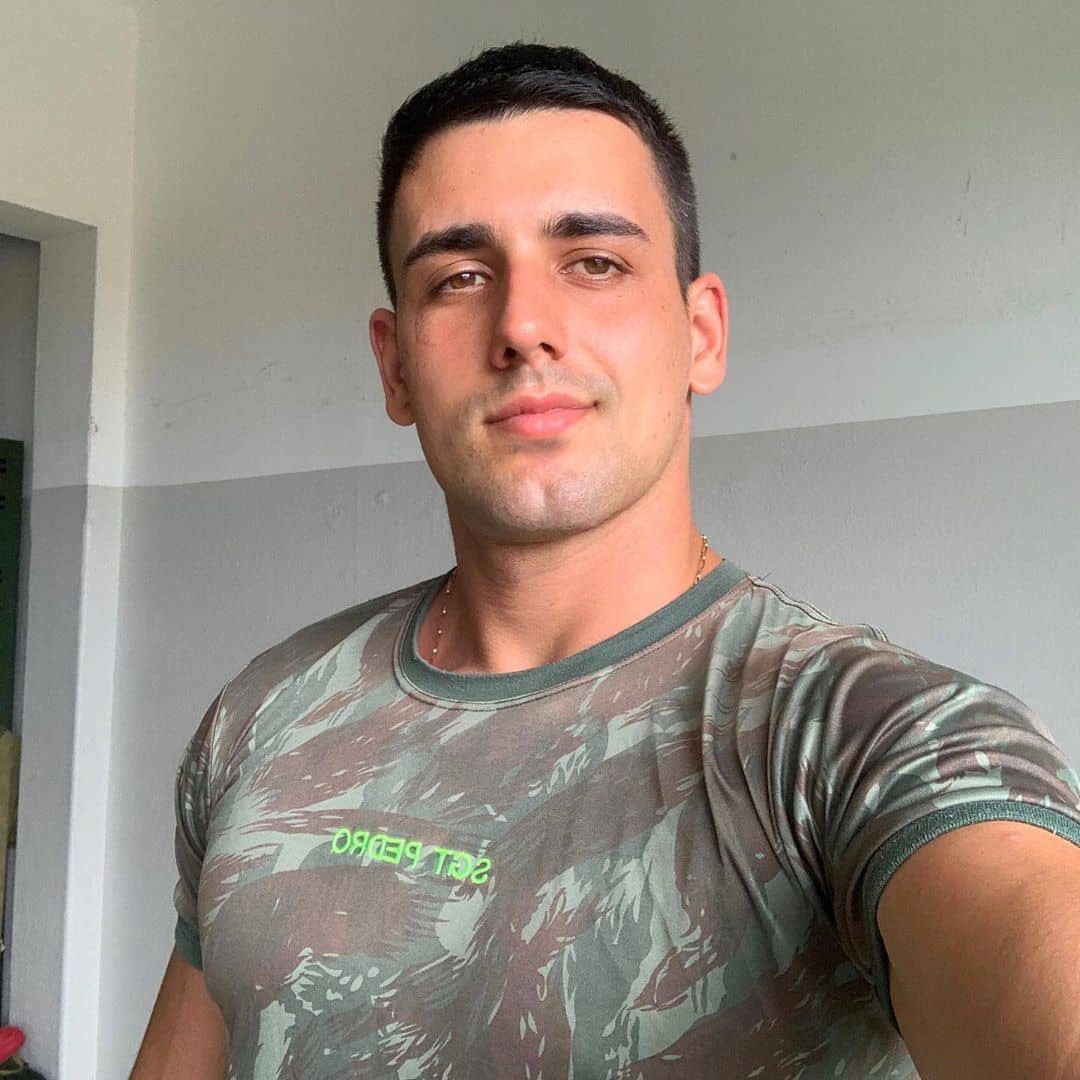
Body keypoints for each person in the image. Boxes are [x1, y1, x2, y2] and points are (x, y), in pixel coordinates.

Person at [133, 43, 1080, 1080]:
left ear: (701, 333)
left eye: (594, 262)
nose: (523, 327)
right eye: (458, 277)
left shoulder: (866, 736)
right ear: (395, 365)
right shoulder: (263, 714)